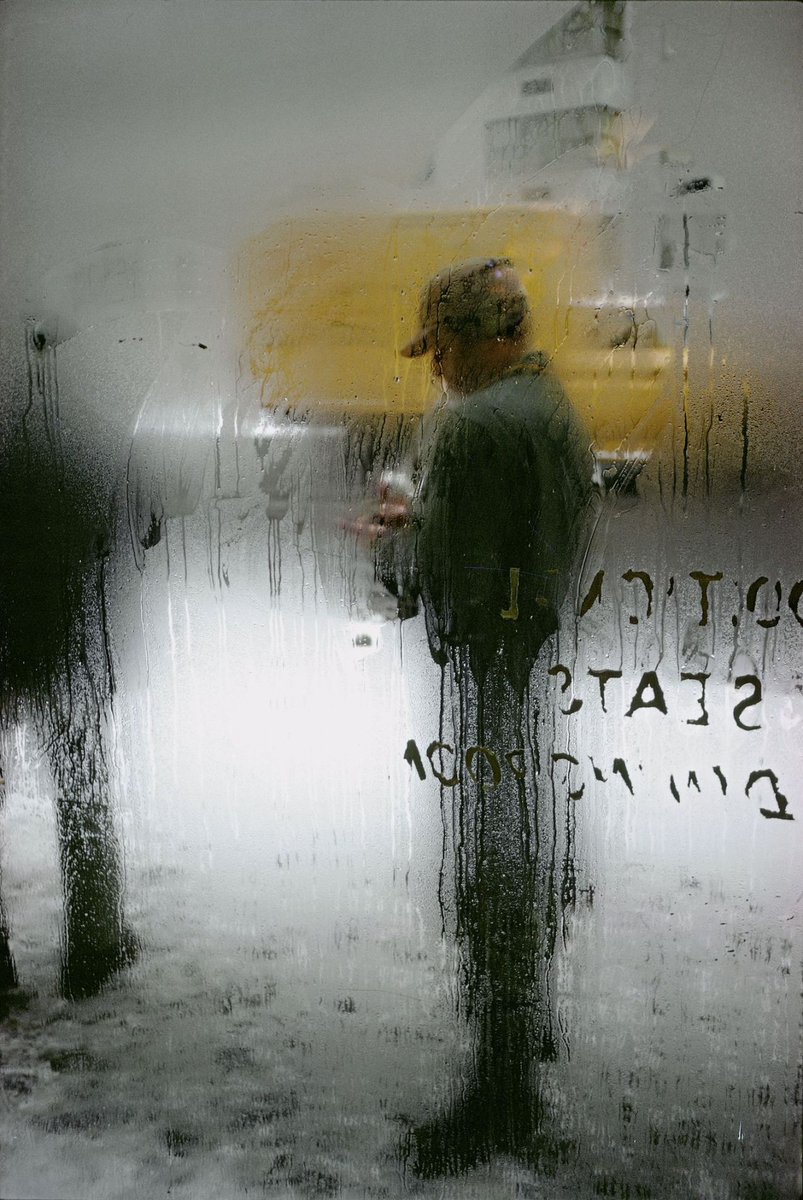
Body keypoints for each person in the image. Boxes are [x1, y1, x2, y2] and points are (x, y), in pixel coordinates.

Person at [379, 258, 594, 1176]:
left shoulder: (470, 430)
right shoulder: (555, 412)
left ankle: (498, 1090)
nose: (435, 368)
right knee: (526, 847)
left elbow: (436, 574)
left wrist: (397, 541)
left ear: (479, 338)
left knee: (489, 866)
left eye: (443, 348)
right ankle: (528, 1023)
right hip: (536, 658)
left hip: (485, 671)